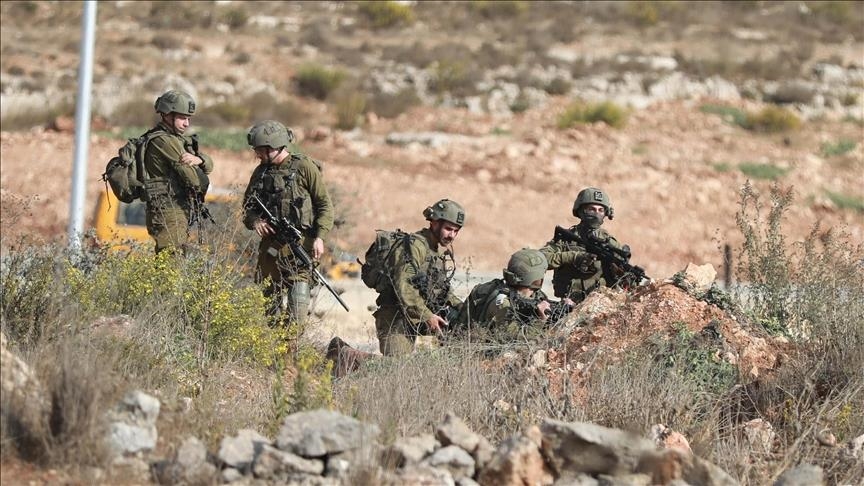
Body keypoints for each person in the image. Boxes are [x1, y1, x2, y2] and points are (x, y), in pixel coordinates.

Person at [242, 120, 334, 324]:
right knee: (270, 317)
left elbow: (325, 205)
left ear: (272, 147)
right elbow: (247, 208)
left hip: (299, 251)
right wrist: (255, 221)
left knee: (296, 320)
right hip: (270, 253)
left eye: (259, 150)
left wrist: (320, 237)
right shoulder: (260, 173)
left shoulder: (304, 167)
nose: (256, 155)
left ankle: (292, 353)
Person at [374, 199, 465, 356]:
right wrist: (427, 316)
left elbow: (442, 292)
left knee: (461, 327)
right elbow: (403, 287)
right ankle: (348, 355)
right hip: (396, 316)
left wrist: (464, 309)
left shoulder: (434, 251)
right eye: (448, 229)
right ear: (434, 223)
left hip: (417, 314)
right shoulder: (415, 246)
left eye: (456, 231)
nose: (452, 236)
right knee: (396, 367)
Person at [143, 90, 214, 254]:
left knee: (173, 264)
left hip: (174, 210)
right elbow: (194, 179)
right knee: (171, 265)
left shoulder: (175, 139)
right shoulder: (164, 141)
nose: (187, 123)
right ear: (167, 114)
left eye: (188, 118)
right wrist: (200, 167)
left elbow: (208, 166)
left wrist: (200, 160)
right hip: (168, 210)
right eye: (182, 118)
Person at [451, 248, 571, 342]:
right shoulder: (502, 302)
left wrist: (561, 309)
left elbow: (542, 304)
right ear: (535, 279)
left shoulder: (534, 295)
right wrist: (540, 321)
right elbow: (515, 339)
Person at [540, 187, 631, 304]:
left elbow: (623, 280)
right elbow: (541, 259)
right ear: (581, 211)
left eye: (601, 210)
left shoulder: (610, 243)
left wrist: (623, 275)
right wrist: (573, 257)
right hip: (568, 304)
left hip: (599, 305)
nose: (596, 214)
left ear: (606, 213)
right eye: (591, 209)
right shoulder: (566, 239)